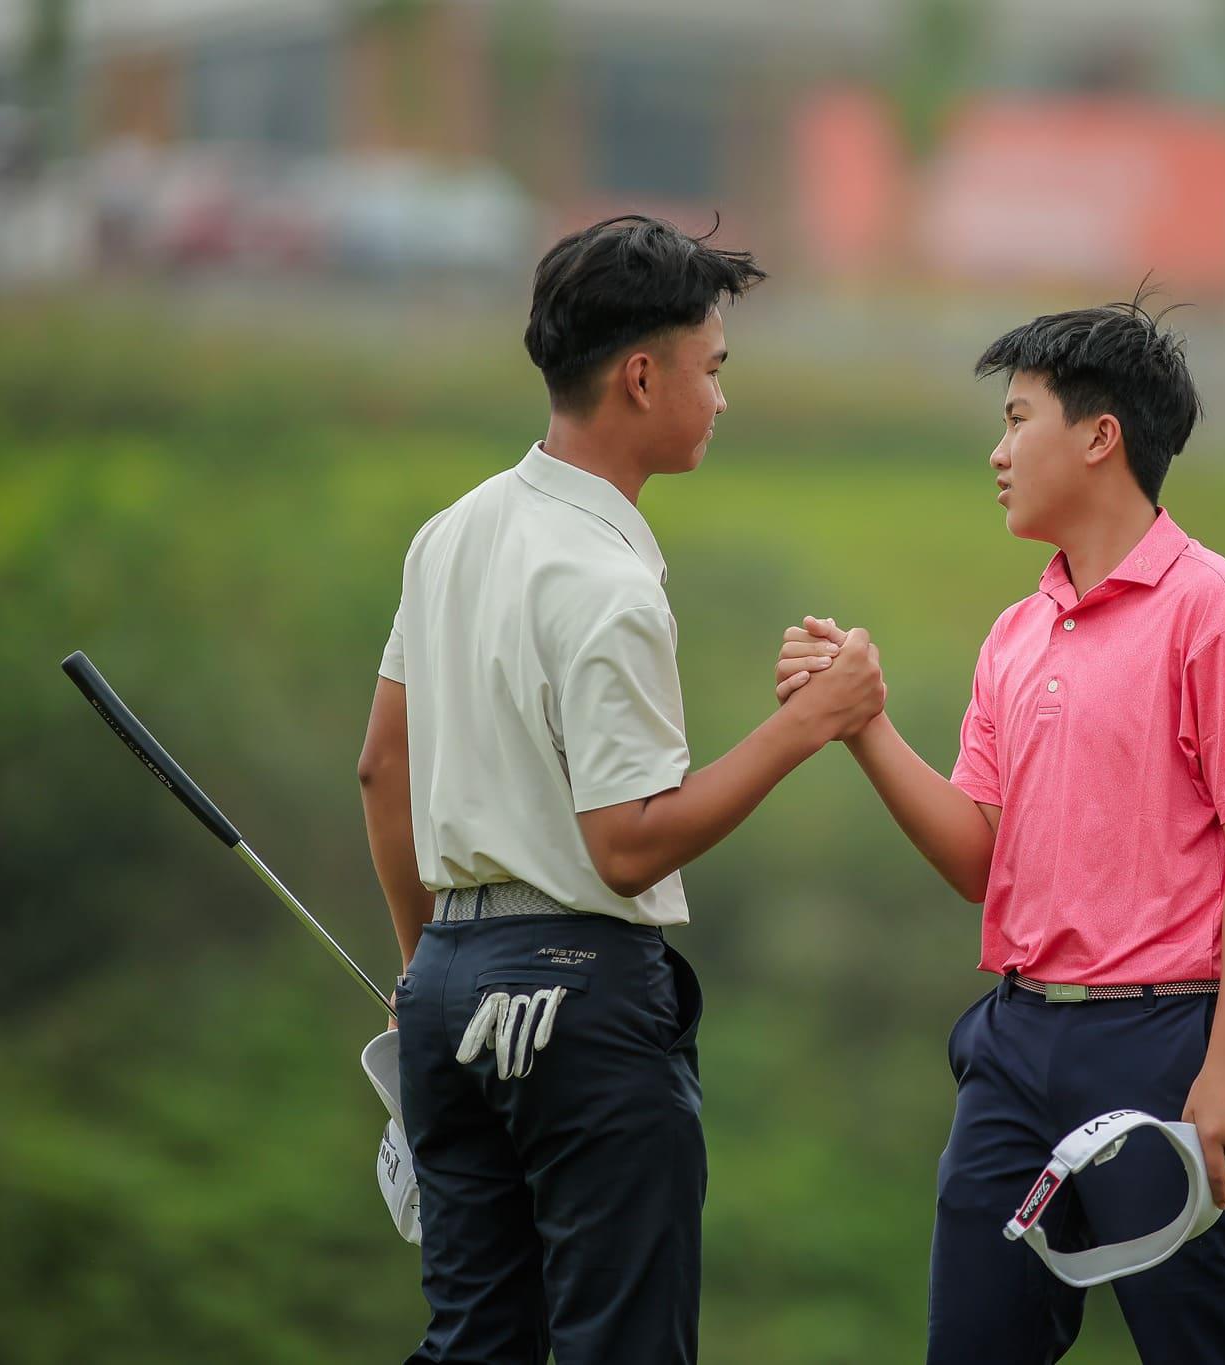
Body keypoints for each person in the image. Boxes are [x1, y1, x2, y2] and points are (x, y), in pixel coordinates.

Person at [358, 214, 885, 1365]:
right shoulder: (607, 581)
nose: (721, 399)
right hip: (579, 999)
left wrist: (423, 973)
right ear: (641, 378)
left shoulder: (448, 535)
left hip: (446, 985)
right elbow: (628, 845)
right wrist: (810, 723)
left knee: (472, 1346)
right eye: (712, 369)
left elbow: (381, 767)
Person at [775, 299, 1225, 1363]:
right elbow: (978, 858)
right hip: (1014, 1047)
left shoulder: (1214, 609)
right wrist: (862, 723)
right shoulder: (1016, 634)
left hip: (1164, 1048)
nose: (998, 451)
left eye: (1018, 419)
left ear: (1100, 436)